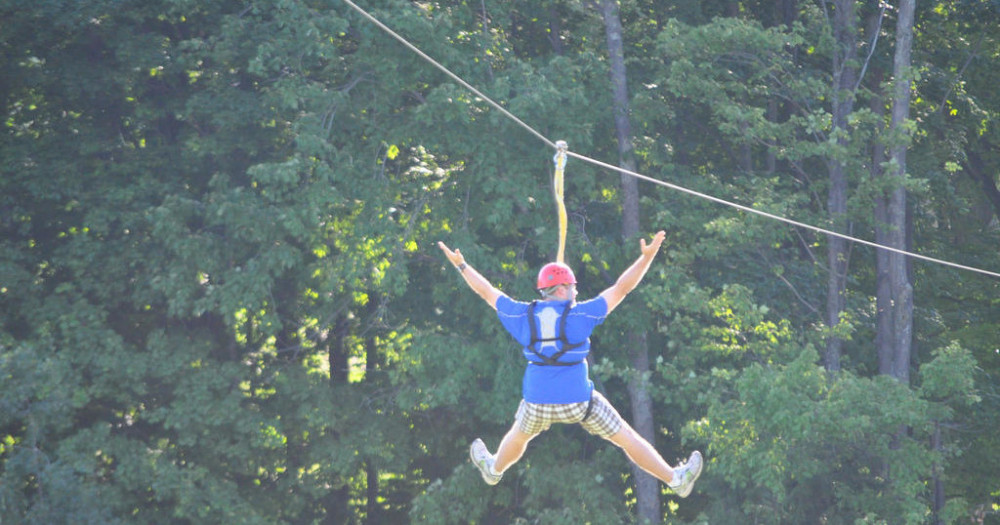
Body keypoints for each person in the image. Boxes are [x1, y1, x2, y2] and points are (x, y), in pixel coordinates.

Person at [436, 231, 703, 497]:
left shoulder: (521, 314)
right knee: (625, 437)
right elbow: (622, 288)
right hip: (579, 403)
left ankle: (493, 470)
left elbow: (486, 292)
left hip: (537, 401)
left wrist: (462, 265)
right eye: (573, 287)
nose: (576, 291)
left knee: (519, 435)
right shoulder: (580, 314)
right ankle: (674, 479)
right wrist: (646, 258)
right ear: (562, 289)